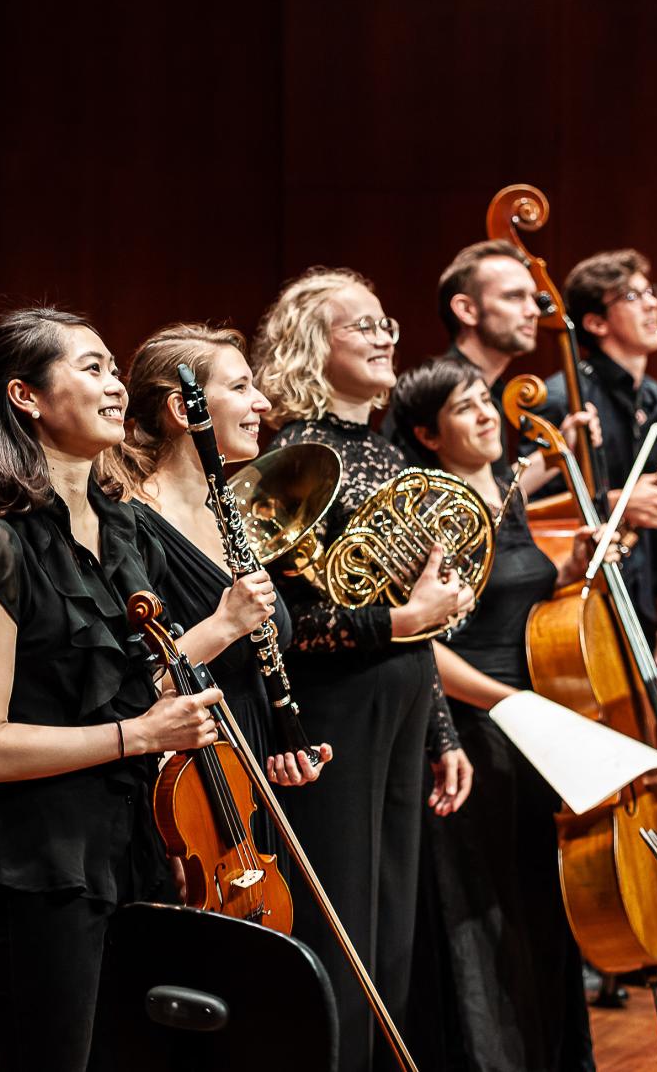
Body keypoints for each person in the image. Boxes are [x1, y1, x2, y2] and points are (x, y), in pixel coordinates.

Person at [0, 307, 221, 1072]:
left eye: (114, 368)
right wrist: (142, 734)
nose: (115, 384)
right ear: (25, 395)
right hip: (43, 865)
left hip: (138, 845)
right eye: (91, 368)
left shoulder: (123, 529)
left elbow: (125, 686)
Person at [252, 267, 473, 1072]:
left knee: (390, 932)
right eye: (363, 325)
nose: (385, 338)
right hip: (332, 711)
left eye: (387, 324)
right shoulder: (292, 457)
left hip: (404, 699)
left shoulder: (384, 451)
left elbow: (422, 612)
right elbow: (277, 625)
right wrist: (397, 622)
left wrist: (442, 732)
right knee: (339, 923)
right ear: (312, 346)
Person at [391, 354, 596, 1072]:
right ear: (427, 436)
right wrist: (509, 701)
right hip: (474, 729)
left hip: (529, 724)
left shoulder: (503, 492)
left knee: (535, 904)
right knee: (486, 915)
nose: (487, 413)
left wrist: (567, 570)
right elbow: (425, 643)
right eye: (465, 407)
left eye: (486, 399)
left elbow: (511, 598)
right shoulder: (434, 515)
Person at [113, 322, 332, 851]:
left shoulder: (228, 509)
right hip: (189, 779)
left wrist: (283, 741)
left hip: (249, 763)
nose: (262, 403)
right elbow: (134, 684)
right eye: (239, 387)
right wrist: (226, 624)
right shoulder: (129, 524)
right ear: (183, 409)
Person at [537, 250, 657, 690]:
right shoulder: (562, 399)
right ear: (597, 323)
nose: (652, 303)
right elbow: (530, 510)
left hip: (641, 594)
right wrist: (617, 502)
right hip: (581, 598)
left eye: (650, 292)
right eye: (632, 296)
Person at [384, 239, 599, 494]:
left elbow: (495, 496)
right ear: (467, 310)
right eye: (514, 297)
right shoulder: (432, 396)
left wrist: (562, 449)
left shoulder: (494, 392)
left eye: (533, 298)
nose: (533, 311)